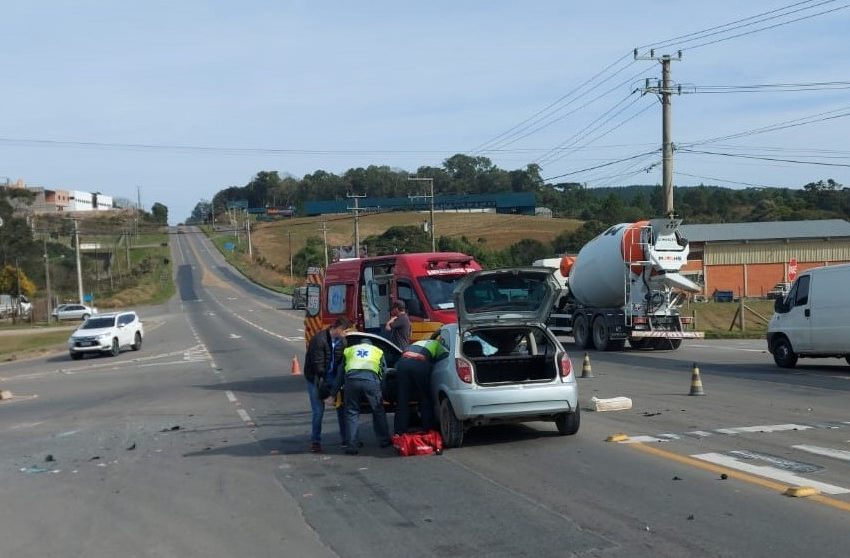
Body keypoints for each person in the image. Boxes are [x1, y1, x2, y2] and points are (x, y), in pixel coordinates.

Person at [303, 317, 350, 453]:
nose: (346, 334)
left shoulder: (342, 341)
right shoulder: (318, 340)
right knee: (318, 411)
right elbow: (318, 367)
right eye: (345, 331)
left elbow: (341, 361)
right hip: (317, 379)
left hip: (334, 379)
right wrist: (326, 392)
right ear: (339, 329)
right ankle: (315, 441)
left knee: (342, 409)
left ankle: (346, 439)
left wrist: (337, 383)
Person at [338, 338, 391, 454]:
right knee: (378, 411)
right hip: (371, 382)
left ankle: (352, 445)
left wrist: (333, 392)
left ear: (360, 344)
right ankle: (384, 441)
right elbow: (384, 371)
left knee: (352, 412)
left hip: (351, 382)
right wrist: (383, 390)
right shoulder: (377, 351)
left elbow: (340, 372)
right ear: (370, 344)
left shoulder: (349, 350)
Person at [393, 332, 449, 435]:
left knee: (402, 399)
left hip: (402, 364)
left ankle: (400, 431)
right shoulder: (437, 345)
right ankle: (427, 428)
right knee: (425, 398)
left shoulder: (416, 343)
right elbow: (444, 360)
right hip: (419, 364)